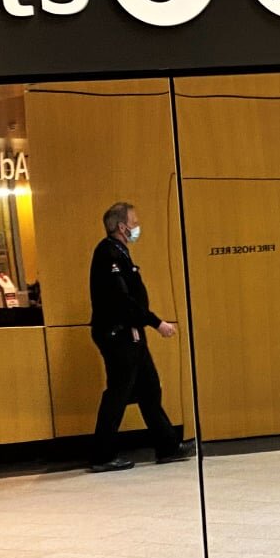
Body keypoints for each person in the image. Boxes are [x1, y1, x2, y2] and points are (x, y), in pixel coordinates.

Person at [88, 202, 193, 472]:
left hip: (131, 334)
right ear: (122, 227)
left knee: (149, 388)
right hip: (119, 335)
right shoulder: (108, 254)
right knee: (119, 393)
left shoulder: (120, 253)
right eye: (134, 221)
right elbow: (122, 300)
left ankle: (167, 445)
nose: (137, 226)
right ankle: (102, 454)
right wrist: (156, 322)